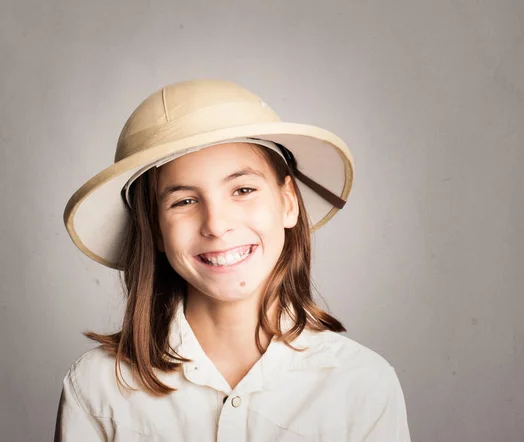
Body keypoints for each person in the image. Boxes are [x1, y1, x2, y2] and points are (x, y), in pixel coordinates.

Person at [54, 79, 411, 441]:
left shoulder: (362, 385)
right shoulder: (97, 388)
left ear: (288, 202)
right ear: (156, 230)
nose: (217, 225)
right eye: (184, 201)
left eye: (243, 190)